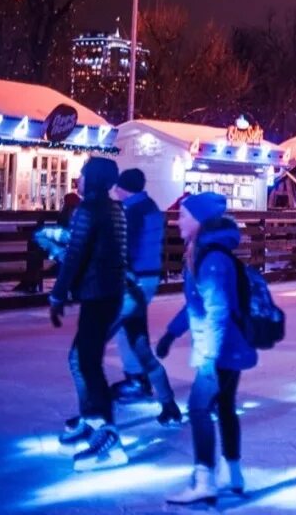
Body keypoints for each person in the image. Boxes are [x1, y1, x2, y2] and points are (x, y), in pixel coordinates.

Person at [158, 193, 257, 506]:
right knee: (225, 407)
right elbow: (196, 304)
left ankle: (205, 480)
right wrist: (172, 333)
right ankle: (234, 474)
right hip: (229, 347)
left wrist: (210, 358)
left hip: (221, 350)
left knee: (200, 409)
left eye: (183, 216)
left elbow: (216, 310)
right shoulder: (203, 254)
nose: (177, 221)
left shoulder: (212, 259)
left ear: (199, 221)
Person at [50, 157, 130, 471]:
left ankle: (108, 437)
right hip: (109, 293)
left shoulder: (88, 210)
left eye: (82, 173)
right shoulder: (114, 209)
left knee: (86, 362)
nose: (78, 178)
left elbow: (74, 256)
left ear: (92, 179)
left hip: (98, 295)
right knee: (82, 360)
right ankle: (91, 420)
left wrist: (58, 294)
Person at [107, 169, 181, 424]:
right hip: (145, 276)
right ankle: (145, 384)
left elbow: (127, 247)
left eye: (118, 187)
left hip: (135, 278)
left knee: (125, 332)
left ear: (125, 188)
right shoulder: (148, 206)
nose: (115, 191)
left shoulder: (134, 212)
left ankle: (138, 380)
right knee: (130, 332)